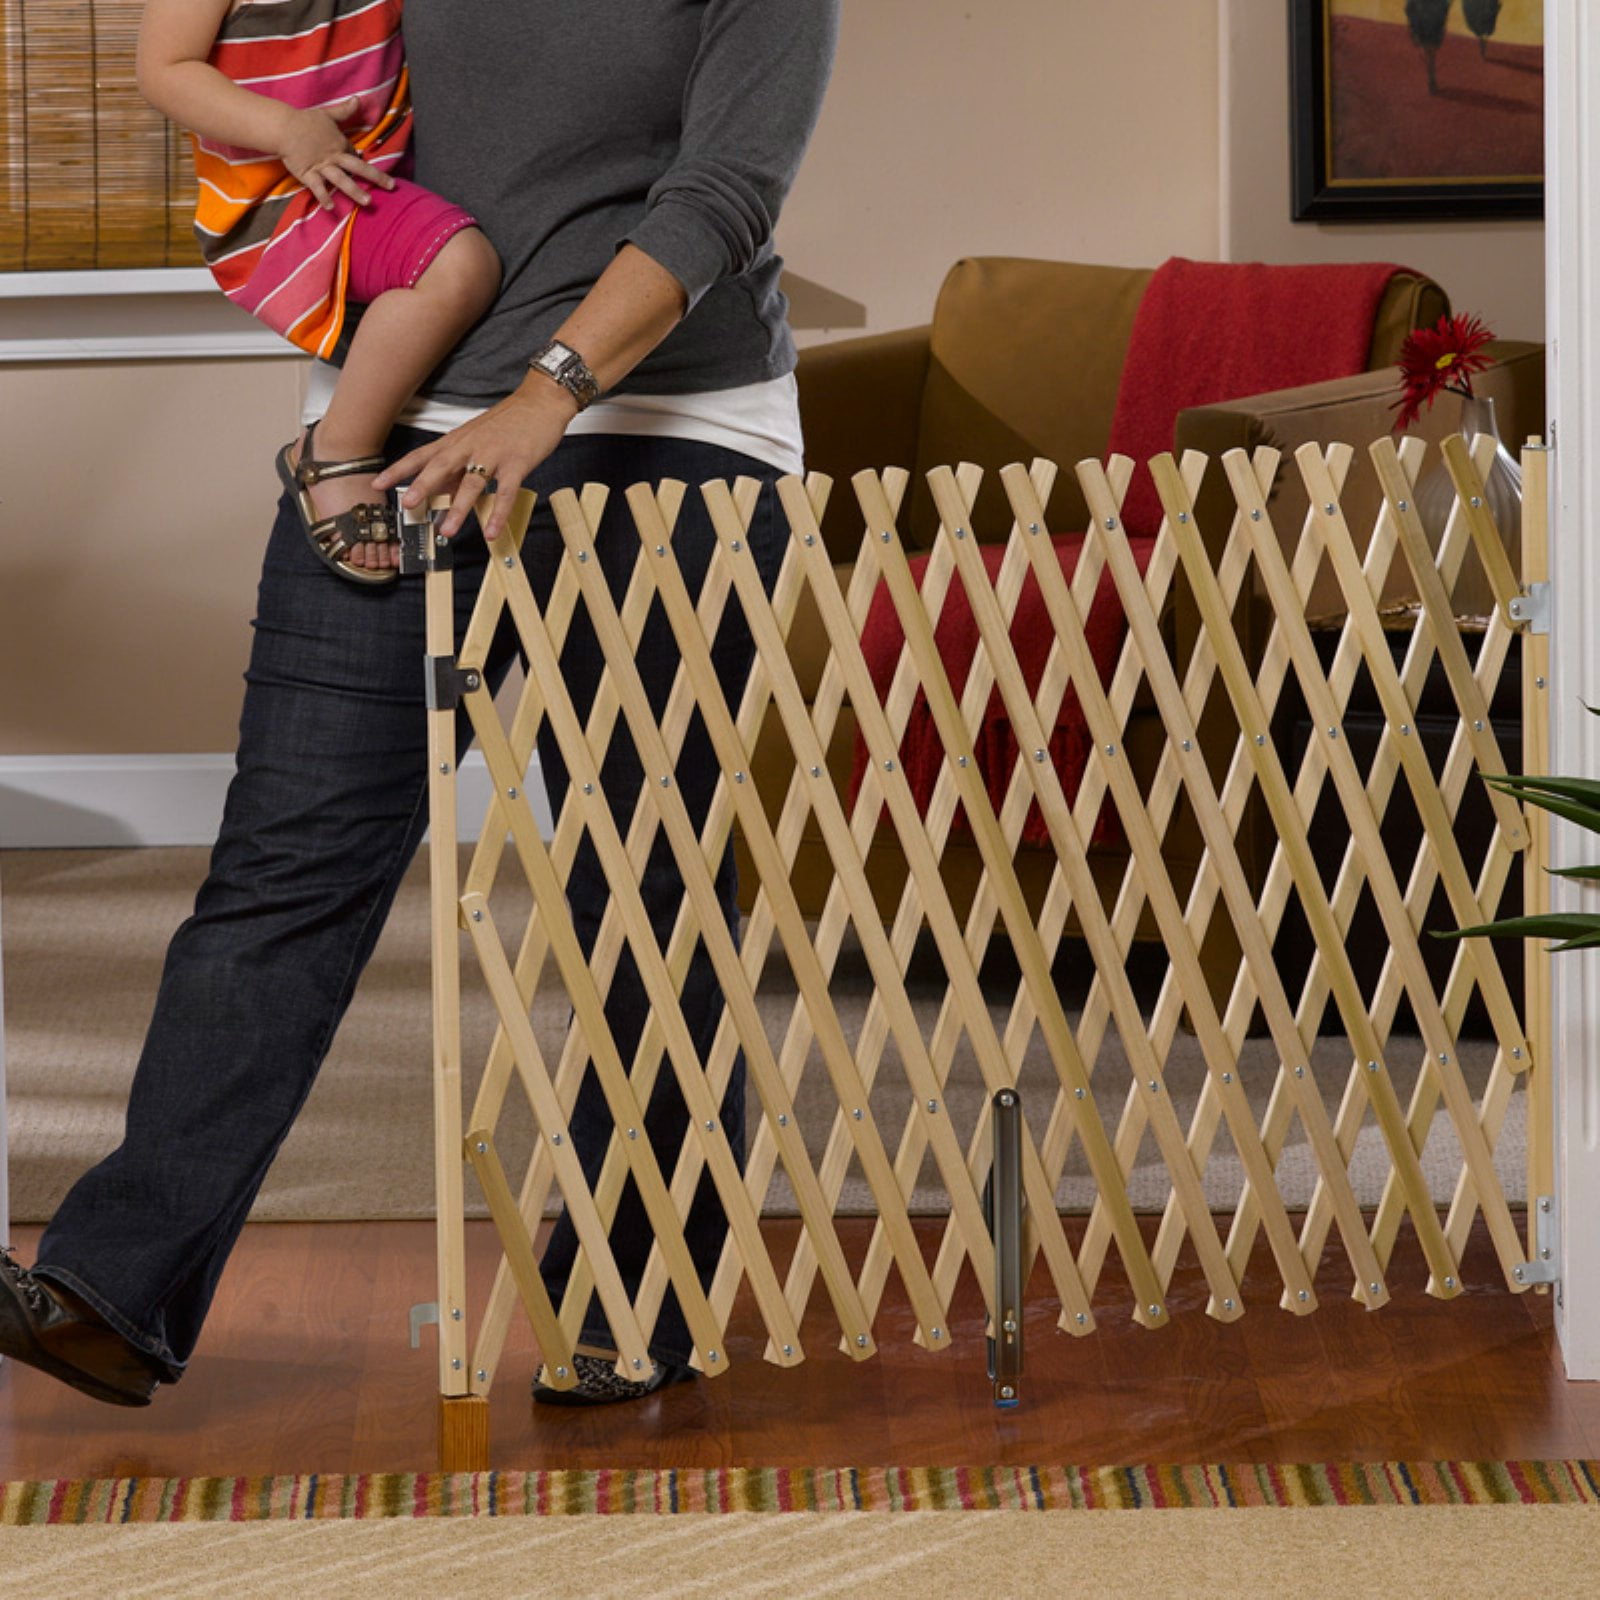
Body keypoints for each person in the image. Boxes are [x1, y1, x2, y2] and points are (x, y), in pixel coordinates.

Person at [0, 0, 841, 1409]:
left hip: (673, 435)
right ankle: (110, 1288)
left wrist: (546, 393)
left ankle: (632, 1309)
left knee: (647, 885)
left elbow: (724, 193)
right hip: (397, 441)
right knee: (287, 859)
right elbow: (274, 76)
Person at [138, 0, 502, 584]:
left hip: (379, 162)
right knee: (460, 268)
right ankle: (336, 449)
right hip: (290, 196)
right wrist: (286, 127)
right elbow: (164, 69)